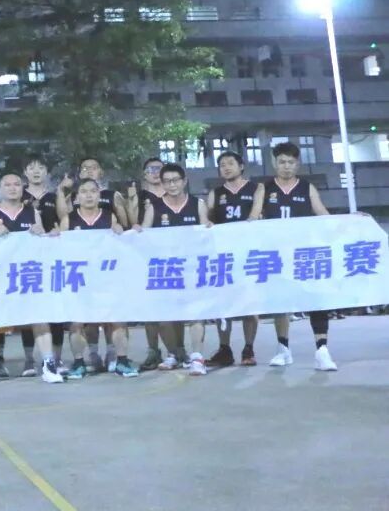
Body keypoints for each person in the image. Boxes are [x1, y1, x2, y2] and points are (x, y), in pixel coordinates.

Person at [252, 142, 337, 371]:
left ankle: (322, 350)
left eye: (291, 162)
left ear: (297, 164)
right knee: (281, 302)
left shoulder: (307, 187)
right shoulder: (264, 188)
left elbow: (324, 215)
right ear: (275, 163)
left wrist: (352, 221)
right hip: (278, 255)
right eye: (282, 162)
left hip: (304, 254)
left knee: (316, 299)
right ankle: (283, 348)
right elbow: (253, 218)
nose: (286, 166)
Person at [0, 170, 63, 384]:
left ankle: (49, 364)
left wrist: (45, 234)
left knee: (39, 318)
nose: (13, 188)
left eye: (16, 184)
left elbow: (42, 243)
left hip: (26, 277)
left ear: (22, 188)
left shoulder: (32, 213)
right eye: (7, 184)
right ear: (0, 189)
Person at [139, 163, 211, 376]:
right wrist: (137, 231)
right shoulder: (154, 207)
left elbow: (207, 233)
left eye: (175, 180)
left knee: (196, 313)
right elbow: (143, 236)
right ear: (162, 184)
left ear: (184, 181)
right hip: (166, 270)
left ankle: (197, 357)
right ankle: (175, 353)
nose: (172, 185)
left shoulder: (198, 204)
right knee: (165, 317)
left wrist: (209, 229)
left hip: (192, 268)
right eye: (167, 181)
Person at [57, 157, 129, 373]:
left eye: (93, 191)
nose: (88, 195)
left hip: (106, 277)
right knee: (77, 322)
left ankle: (121, 360)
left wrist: (120, 232)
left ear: (99, 194)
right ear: (77, 197)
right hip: (79, 279)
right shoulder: (69, 220)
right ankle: (80, 362)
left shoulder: (109, 217)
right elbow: (58, 248)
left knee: (116, 319)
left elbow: (121, 244)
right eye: (84, 192)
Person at [205, 151, 263, 367]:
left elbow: (255, 216)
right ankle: (224, 349)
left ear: (241, 166)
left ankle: (248, 348)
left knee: (249, 303)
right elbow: (207, 220)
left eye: (230, 163)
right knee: (223, 305)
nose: (226, 167)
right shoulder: (216, 193)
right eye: (222, 165)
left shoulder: (256, 188)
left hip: (248, 254)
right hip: (223, 256)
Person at [22, 156, 67, 365]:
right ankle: (29, 359)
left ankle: (56, 358)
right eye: (31, 167)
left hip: (52, 257)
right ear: (25, 173)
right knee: (30, 309)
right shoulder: (19, 195)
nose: (36, 171)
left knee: (55, 308)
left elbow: (64, 219)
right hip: (27, 259)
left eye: (40, 167)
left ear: (46, 172)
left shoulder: (53, 196)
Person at [128, 158, 171, 371]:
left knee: (172, 310)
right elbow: (132, 221)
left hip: (173, 257)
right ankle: (153, 350)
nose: (155, 172)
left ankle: (177, 350)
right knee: (150, 309)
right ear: (144, 174)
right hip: (146, 258)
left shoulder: (174, 193)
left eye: (159, 169)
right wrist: (132, 200)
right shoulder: (139, 196)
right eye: (150, 169)